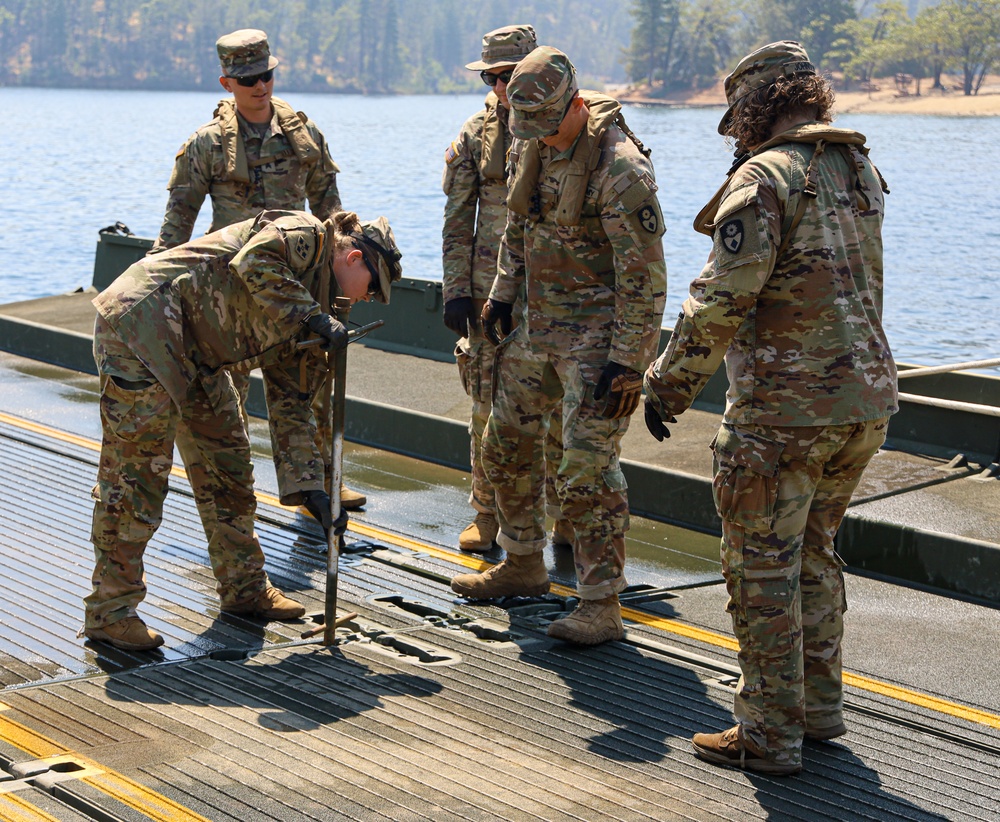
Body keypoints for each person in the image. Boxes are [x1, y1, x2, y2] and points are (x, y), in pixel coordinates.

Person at [643, 41, 896, 775]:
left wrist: (667, 384)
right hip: (864, 403)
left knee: (759, 566)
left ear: (754, 107)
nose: (734, 135)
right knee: (814, 554)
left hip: (784, 413)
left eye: (735, 121)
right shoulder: (859, 167)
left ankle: (768, 733)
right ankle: (819, 710)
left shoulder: (766, 177)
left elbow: (721, 299)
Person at [85, 210, 403, 652]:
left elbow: (293, 402)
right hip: (145, 329)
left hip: (200, 354)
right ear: (352, 258)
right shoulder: (305, 237)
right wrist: (311, 317)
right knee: (136, 477)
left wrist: (313, 490)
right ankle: (111, 612)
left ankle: (244, 588)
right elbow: (253, 261)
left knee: (229, 467)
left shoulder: (322, 314)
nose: (367, 299)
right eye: (372, 288)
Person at [449, 47, 667, 645]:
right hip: (537, 329)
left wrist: (629, 362)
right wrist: (500, 297)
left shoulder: (621, 171)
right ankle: (523, 562)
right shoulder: (530, 142)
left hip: (598, 341)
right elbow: (517, 228)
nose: (539, 136)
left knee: (587, 470)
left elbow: (645, 278)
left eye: (548, 122)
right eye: (529, 126)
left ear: (574, 103)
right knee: (505, 441)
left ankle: (601, 604)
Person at [151, 28, 368, 520]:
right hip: (229, 293)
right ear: (227, 82)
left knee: (310, 387)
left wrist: (339, 288)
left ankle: (325, 483)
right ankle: (235, 483)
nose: (260, 87)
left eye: (266, 76)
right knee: (227, 393)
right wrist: (157, 288)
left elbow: (334, 215)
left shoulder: (303, 136)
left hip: (295, 285)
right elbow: (177, 223)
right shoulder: (206, 146)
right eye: (248, 79)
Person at [441, 24, 571, 553]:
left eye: (506, 75)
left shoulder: (566, 128)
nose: (496, 87)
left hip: (553, 291)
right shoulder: (476, 134)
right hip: (487, 291)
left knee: (560, 408)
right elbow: (456, 217)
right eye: (489, 77)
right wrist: (455, 291)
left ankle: (562, 515)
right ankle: (487, 514)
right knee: (486, 407)